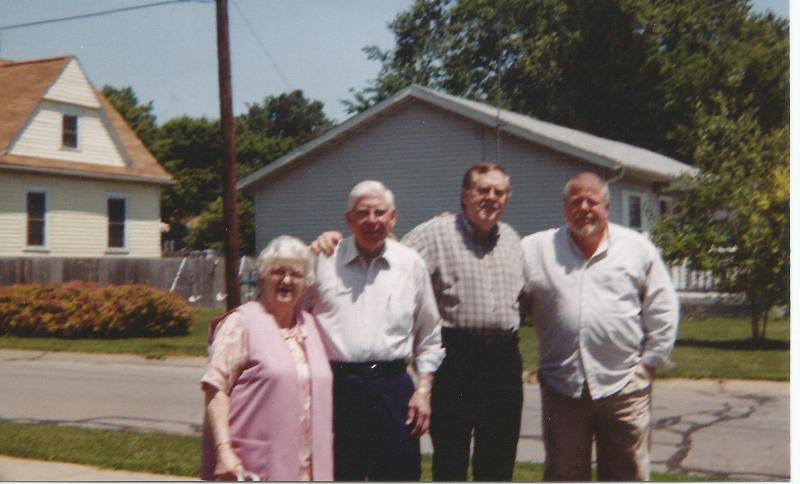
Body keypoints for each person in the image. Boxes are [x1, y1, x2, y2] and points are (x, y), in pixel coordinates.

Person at [312, 164, 527, 481]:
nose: (491, 197)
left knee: (498, 458)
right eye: (483, 190)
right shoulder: (435, 233)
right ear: (465, 195)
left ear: (507, 197)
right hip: (457, 357)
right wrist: (334, 240)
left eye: (499, 192)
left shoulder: (512, 240)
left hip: (503, 360)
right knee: (450, 457)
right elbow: (387, 253)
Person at [520, 172, 680, 481]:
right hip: (562, 387)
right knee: (564, 473)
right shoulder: (536, 249)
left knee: (627, 473)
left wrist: (650, 364)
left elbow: (662, 306)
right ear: (565, 209)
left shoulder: (637, 248)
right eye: (575, 202)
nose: (583, 208)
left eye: (591, 201)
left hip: (624, 386)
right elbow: (504, 273)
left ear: (606, 208)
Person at [304, 180, 444, 481]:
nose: (372, 221)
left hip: (393, 389)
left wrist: (423, 392)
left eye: (380, 213)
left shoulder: (411, 264)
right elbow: (292, 318)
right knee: (339, 475)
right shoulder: (322, 261)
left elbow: (430, 336)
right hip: (338, 390)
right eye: (363, 213)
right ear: (349, 219)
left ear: (393, 218)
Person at [200, 236, 332, 481]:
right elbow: (214, 388)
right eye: (278, 272)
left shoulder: (311, 326)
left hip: (309, 471)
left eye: (296, 274)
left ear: (305, 284)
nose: (286, 280)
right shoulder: (241, 322)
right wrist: (223, 450)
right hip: (253, 467)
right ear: (262, 279)